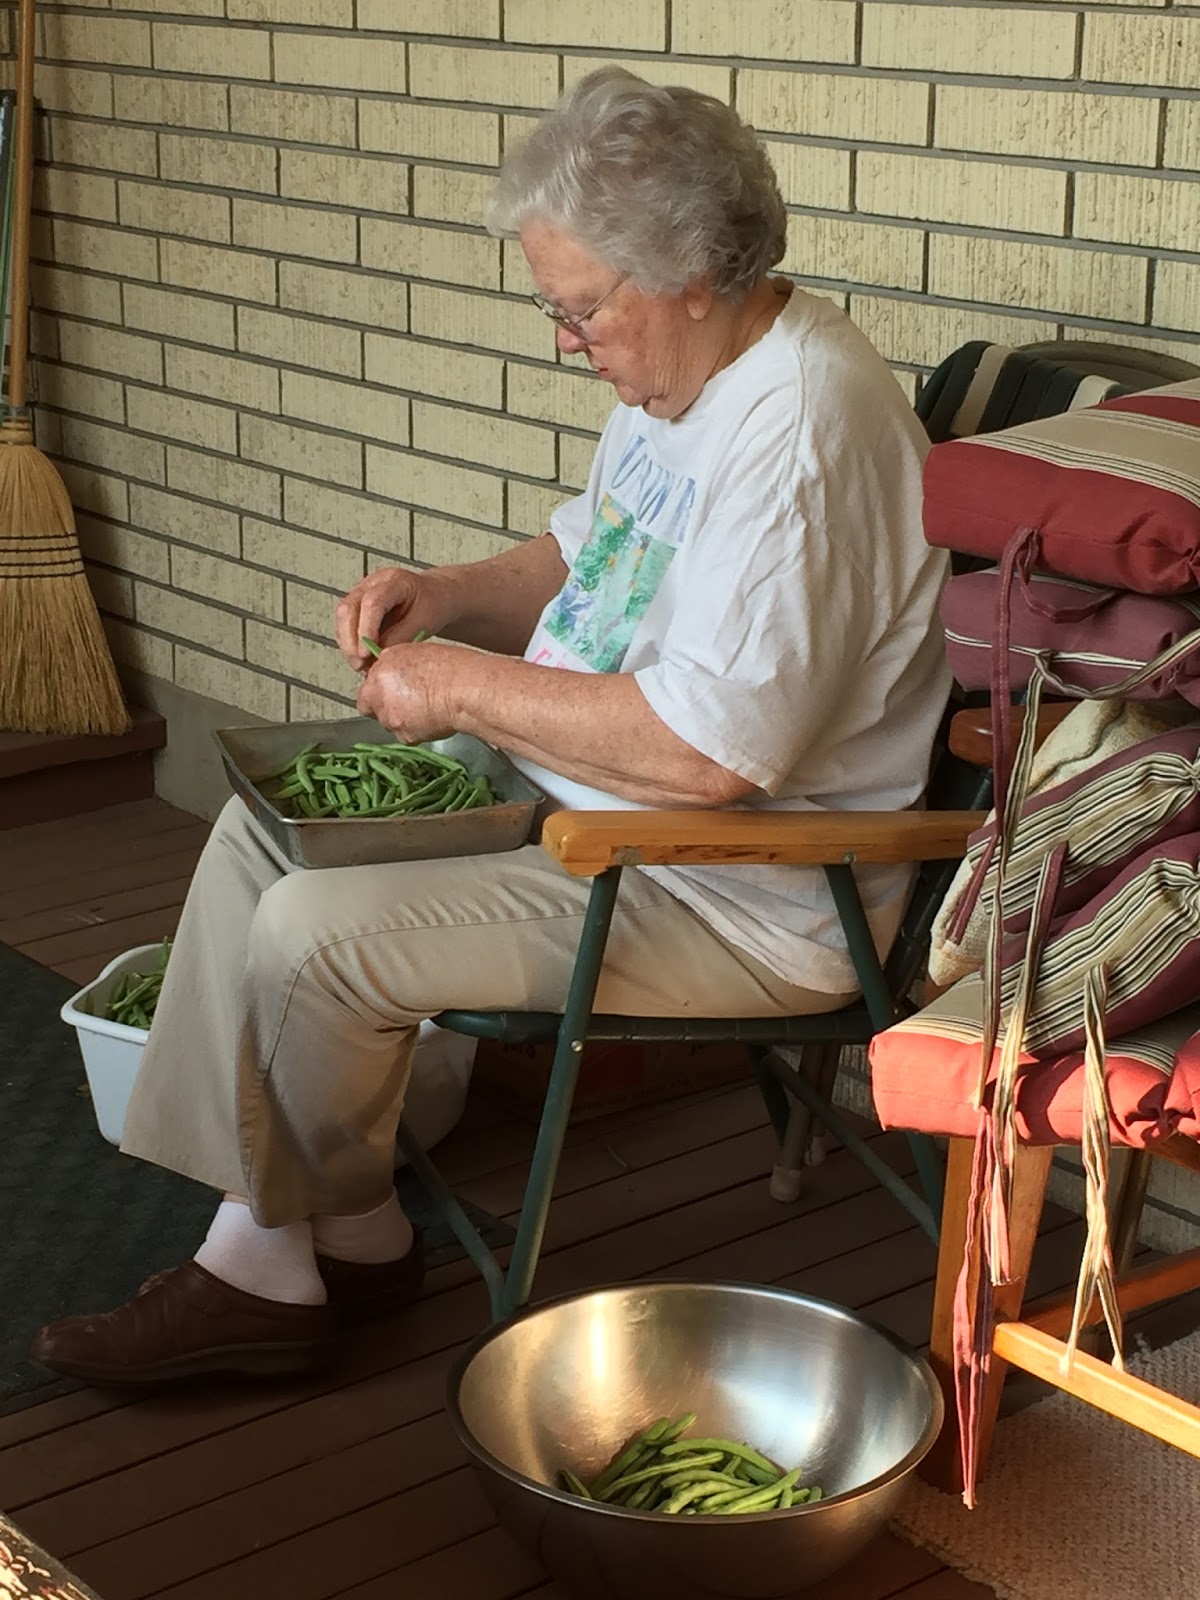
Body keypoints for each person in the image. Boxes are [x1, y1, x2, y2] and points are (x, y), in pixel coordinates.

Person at [33, 67, 949, 1386]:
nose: (570, 344)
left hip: (729, 884)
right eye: (557, 310)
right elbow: (590, 557)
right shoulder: (689, 371)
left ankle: (276, 1268)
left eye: (582, 313)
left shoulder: (805, 434)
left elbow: (710, 758)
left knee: (311, 934)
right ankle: (324, 1230)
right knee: (259, 835)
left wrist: (459, 688)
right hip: (581, 803)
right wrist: (455, 597)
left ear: (694, 270)